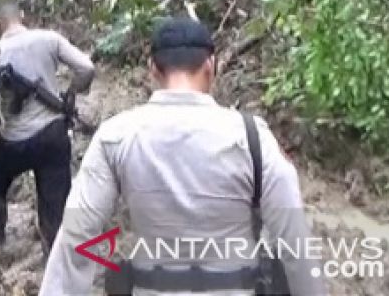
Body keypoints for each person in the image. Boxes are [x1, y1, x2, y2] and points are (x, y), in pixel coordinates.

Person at [38, 16, 326, 296]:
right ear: (211, 66)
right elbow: (294, 242)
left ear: (152, 69)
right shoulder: (253, 138)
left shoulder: (116, 136)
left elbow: (77, 237)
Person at [0, 0, 95, 256]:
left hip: (14, 142)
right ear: (22, 16)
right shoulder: (49, 39)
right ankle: (53, 252)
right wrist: (73, 90)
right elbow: (86, 67)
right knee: (54, 195)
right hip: (53, 135)